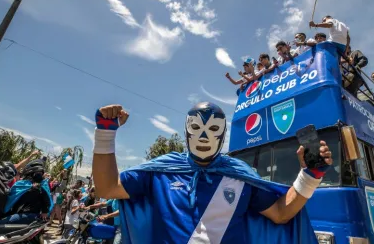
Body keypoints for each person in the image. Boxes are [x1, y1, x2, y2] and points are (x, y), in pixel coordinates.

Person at [92, 103, 333, 243]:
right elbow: (107, 187)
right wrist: (105, 133)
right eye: (197, 128)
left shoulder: (240, 174)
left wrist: (309, 176)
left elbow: (281, 213)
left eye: (213, 129)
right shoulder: (161, 172)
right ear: (186, 131)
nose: (205, 137)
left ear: (223, 133)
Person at [0, 159, 53, 225]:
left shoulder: (26, 184)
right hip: (24, 215)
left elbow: (46, 200)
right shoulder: (41, 185)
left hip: (26, 215)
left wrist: (45, 211)